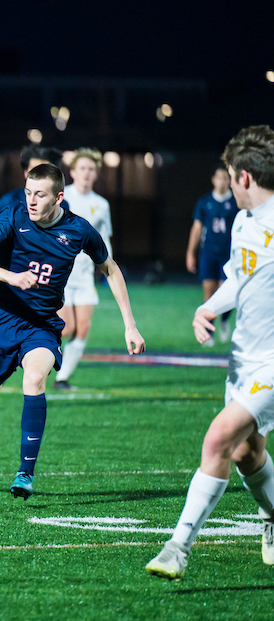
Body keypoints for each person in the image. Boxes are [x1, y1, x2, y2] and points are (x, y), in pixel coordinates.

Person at [0, 163, 145, 499]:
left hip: (42, 325)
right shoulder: (12, 216)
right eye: (28, 192)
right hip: (2, 319)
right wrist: (11, 276)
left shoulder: (78, 230)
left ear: (58, 197)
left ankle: (25, 473)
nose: (31, 201)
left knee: (35, 378)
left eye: (40, 195)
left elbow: (109, 268)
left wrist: (130, 325)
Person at [146, 125, 274, 580]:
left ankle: (177, 548)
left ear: (242, 177)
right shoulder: (244, 221)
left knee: (218, 439)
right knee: (247, 453)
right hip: (242, 359)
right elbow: (238, 281)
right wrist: (207, 307)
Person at [54, 148, 113, 390]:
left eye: (91, 169)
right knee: (67, 327)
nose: (87, 173)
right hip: (62, 274)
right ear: (73, 172)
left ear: (96, 174)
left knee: (84, 328)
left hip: (86, 275)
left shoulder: (101, 204)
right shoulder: (62, 197)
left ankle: (61, 379)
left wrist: (110, 270)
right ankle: (36, 351)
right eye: (82, 169)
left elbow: (104, 240)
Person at [186, 164, 238, 347]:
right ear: (213, 179)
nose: (223, 181)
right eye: (220, 177)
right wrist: (190, 253)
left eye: (226, 178)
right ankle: (209, 332)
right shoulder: (204, 202)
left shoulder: (236, 203)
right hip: (208, 254)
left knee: (227, 292)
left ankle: (224, 321)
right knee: (209, 293)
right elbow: (197, 228)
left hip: (229, 255)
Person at [0, 145, 64, 220]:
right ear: (26, 173)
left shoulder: (62, 205)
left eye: (44, 171)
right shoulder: (10, 201)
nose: (38, 175)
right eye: (34, 171)